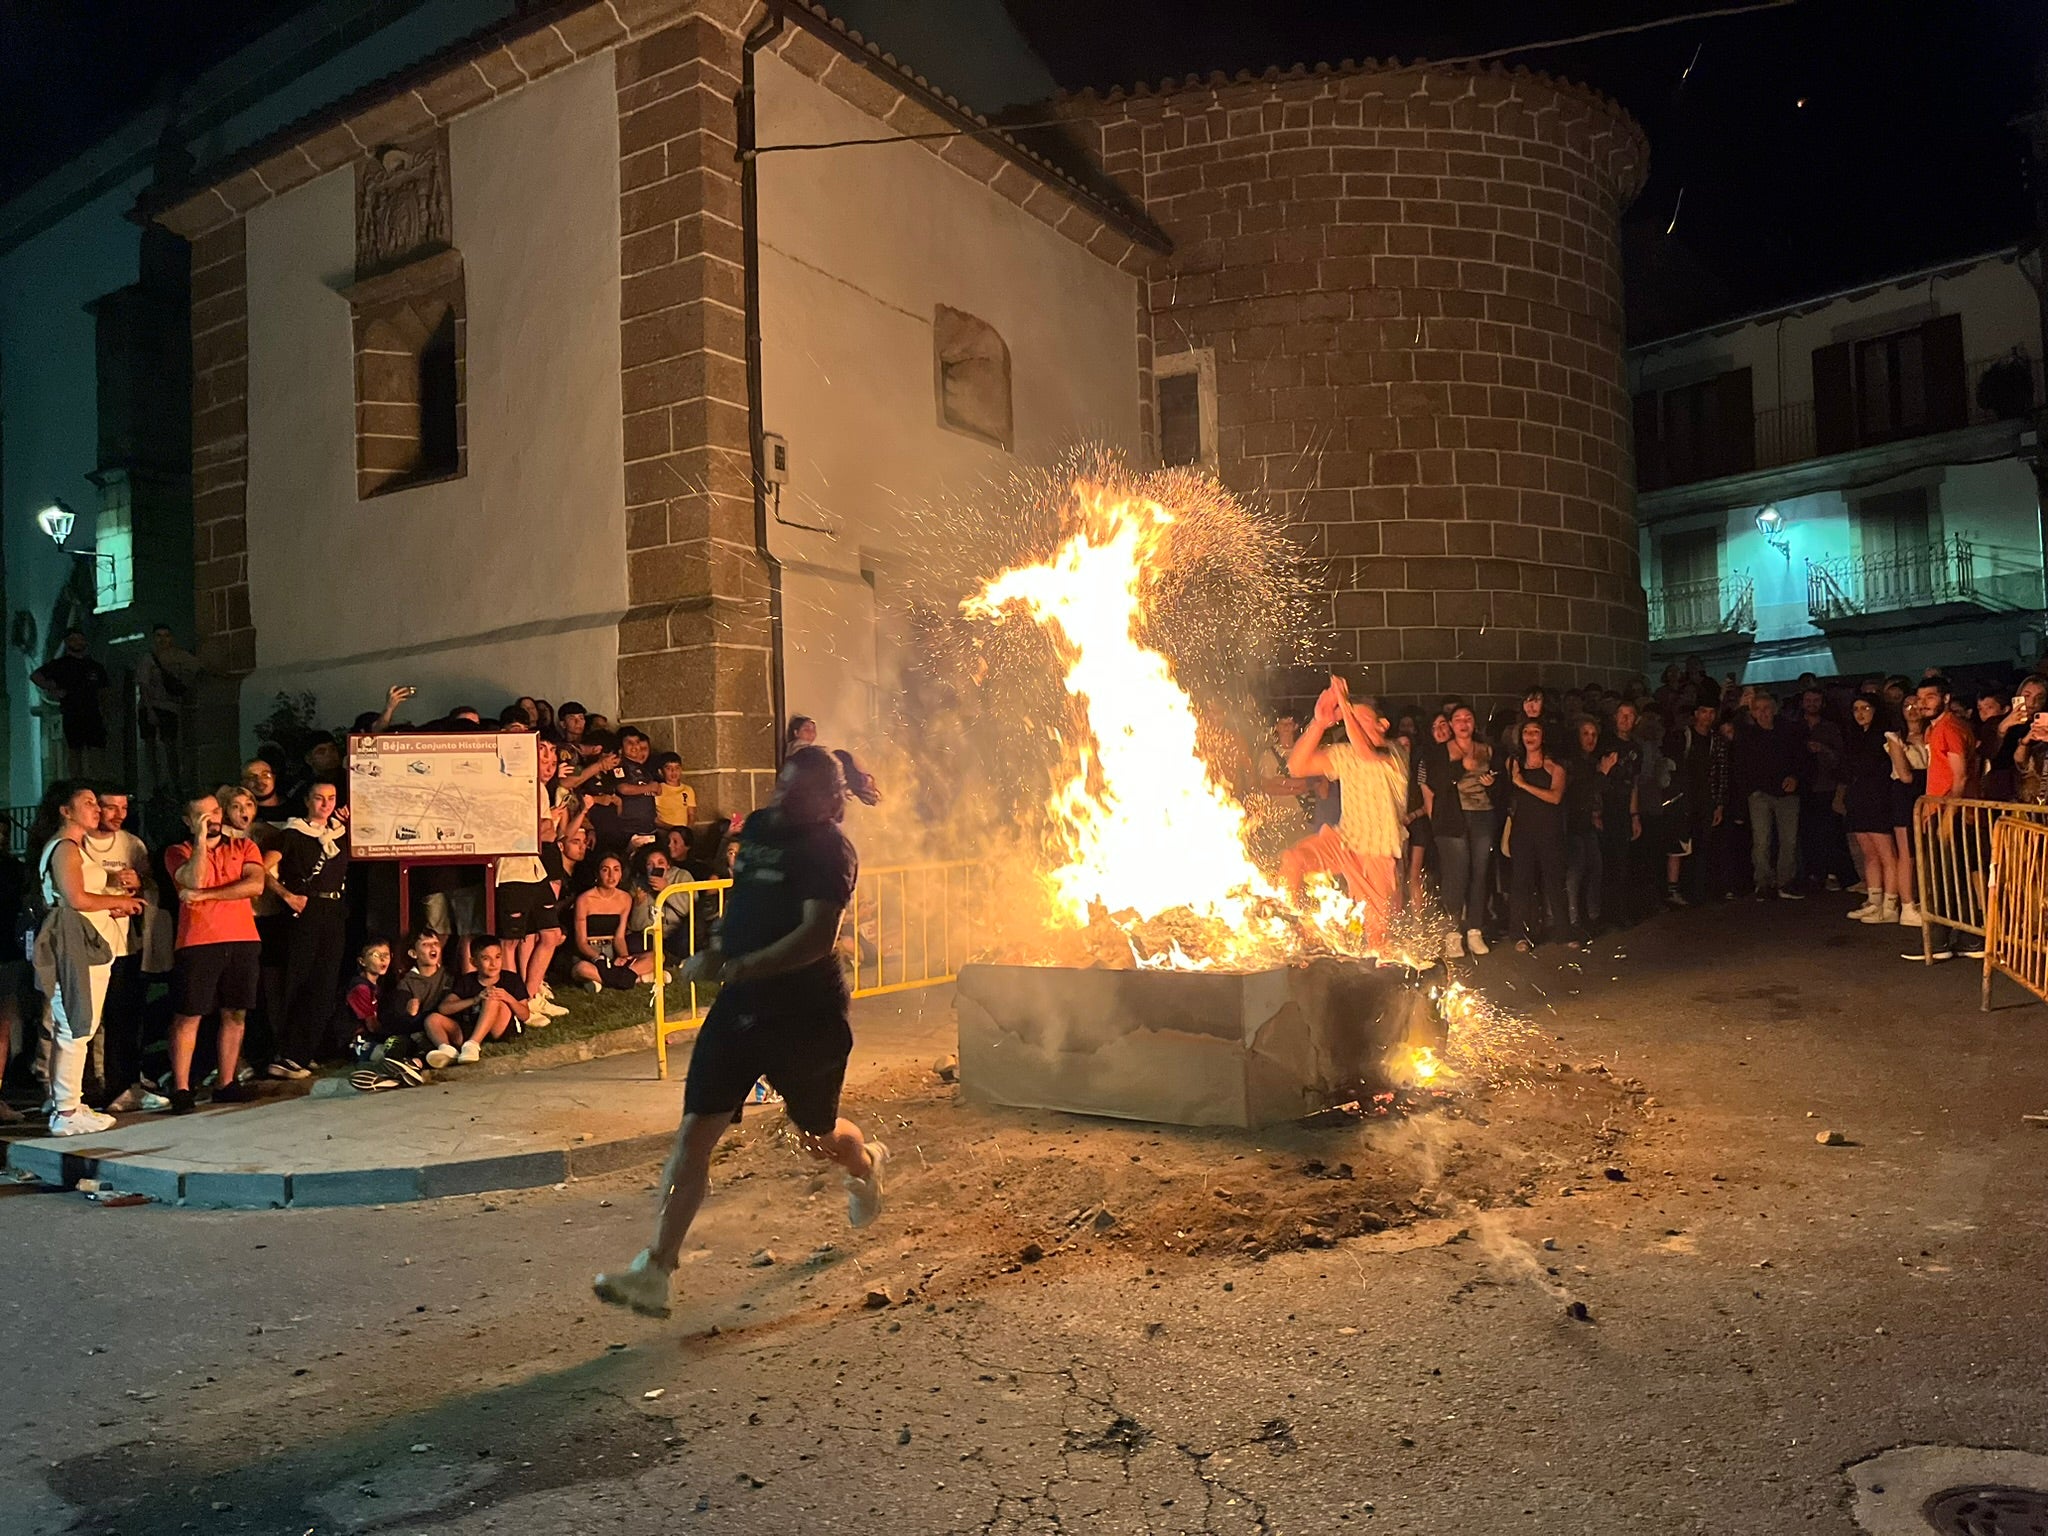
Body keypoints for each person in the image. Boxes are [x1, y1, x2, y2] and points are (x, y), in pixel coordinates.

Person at [594, 746, 885, 1318]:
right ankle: (656, 1269)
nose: (781, 800)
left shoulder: (831, 851)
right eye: (780, 787)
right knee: (695, 1134)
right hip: (742, 1007)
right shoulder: (760, 827)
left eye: (795, 793)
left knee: (816, 1137)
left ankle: (867, 1163)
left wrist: (738, 965)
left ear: (829, 801)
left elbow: (815, 939)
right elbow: (746, 905)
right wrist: (722, 948)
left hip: (807, 1015)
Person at [30, 783, 144, 1135]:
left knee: (80, 1024)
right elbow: (76, 898)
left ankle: (71, 1102)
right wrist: (117, 903)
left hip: (88, 939)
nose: (97, 808)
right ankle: (65, 1111)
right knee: (75, 1025)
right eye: (88, 803)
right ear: (66, 811)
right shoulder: (65, 847)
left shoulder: (77, 848)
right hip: (75, 940)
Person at [1283, 677, 1409, 949]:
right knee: (1293, 859)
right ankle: (1290, 930)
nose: (1350, 724)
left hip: (1377, 851)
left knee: (1378, 935)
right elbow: (1297, 766)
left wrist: (1342, 701)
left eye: (1360, 719)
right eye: (1348, 720)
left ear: (1382, 724)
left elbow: (1366, 753)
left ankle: (1383, 976)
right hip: (1344, 840)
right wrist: (1320, 723)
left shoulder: (1394, 751)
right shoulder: (1346, 753)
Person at [164, 791, 267, 1114]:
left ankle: (226, 1081)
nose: (214, 818)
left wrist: (204, 896)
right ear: (188, 821)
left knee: (235, 1012)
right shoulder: (177, 851)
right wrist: (199, 842)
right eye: (203, 815)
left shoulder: (244, 846)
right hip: (198, 941)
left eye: (215, 811)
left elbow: (255, 886)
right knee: (189, 1014)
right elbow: (192, 877)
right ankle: (181, 1087)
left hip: (242, 938)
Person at [81, 786, 163, 1113]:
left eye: (124, 808)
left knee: (126, 1018)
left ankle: (125, 1085)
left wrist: (138, 883)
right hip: (88, 944)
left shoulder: (132, 844)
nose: (118, 815)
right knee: (84, 1022)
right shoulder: (78, 844)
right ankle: (81, 1090)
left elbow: (150, 888)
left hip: (126, 945)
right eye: (109, 807)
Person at [272, 781, 351, 1072]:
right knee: (299, 979)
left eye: (331, 798)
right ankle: (286, 1051)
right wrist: (287, 896)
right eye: (319, 798)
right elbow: (262, 869)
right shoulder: (292, 834)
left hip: (334, 910)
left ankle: (305, 1051)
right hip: (306, 911)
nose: (325, 804)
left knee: (325, 982)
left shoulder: (339, 833)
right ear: (307, 800)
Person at [1902, 674, 1974, 963]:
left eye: (1930, 697)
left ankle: (1954, 938)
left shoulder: (1950, 728)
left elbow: (1960, 776)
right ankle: (1951, 938)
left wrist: (1948, 816)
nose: (1923, 704)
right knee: (1943, 877)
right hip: (1938, 808)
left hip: (1947, 810)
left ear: (1945, 698)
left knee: (1946, 878)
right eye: (1920, 699)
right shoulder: (1938, 729)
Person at [1425, 705, 1495, 957]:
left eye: (1468, 718)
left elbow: (1500, 782)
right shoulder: (1439, 752)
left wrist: (1492, 782)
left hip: (1482, 814)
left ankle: (1475, 930)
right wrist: (1461, 766)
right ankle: (1452, 933)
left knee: (1479, 872)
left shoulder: (1486, 749)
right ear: (1451, 725)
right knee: (1456, 874)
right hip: (1451, 819)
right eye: (1458, 719)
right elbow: (1436, 783)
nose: (1463, 723)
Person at [1731, 692, 1803, 900]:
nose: (1763, 713)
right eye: (1758, 709)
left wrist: (1795, 778)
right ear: (1752, 712)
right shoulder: (1747, 736)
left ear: (1774, 709)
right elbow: (1740, 766)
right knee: (1761, 840)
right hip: (1760, 794)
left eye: (1766, 708)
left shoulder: (1789, 732)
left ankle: (1785, 882)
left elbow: (1800, 758)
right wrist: (1751, 790)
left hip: (1787, 793)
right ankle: (1762, 882)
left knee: (1788, 840)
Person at [1505, 719, 1569, 952]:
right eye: (1526, 732)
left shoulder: (1554, 766)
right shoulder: (1514, 763)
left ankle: (1563, 932)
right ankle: (1520, 935)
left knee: (1554, 881)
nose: (1530, 736)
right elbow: (1506, 792)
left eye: (1536, 732)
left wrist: (1523, 784)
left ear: (1544, 736)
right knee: (1521, 883)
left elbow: (1555, 797)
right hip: (1522, 831)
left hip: (1549, 832)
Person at [1843, 697, 1903, 924]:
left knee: (1886, 853)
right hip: (1859, 799)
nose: (1860, 713)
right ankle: (1874, 900)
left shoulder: (1883, 736)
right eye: (1856, 709)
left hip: (1877, 798)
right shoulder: (1855, 737)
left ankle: (1890, 903)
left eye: (1865, 708)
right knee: (1869, 853)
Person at [1665, 700, 1729, 905]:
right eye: (1704, 712)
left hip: (1705, 800)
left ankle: (1698, 892)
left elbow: (1720, 771)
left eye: (1711, 712)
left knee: (1702, 846)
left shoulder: (1715, 740)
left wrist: (1718, 803)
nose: (1708, 717)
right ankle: (1677, 890)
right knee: (1681, 845)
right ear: (1696, 714)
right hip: (1684, 799)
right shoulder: (1683, 736)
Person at [434, 934, 531, 1063]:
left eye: (498, 957)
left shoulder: (512, 979)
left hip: (501, 1029)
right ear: (474, 962)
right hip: (472, 1027)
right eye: (486, 958)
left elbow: (525, 1015)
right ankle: (447, 1051)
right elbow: (444, 1008)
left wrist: (508, 998)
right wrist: (475, 1000)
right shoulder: (467, 980)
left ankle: (473, 1045)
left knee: (492, 996)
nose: (493, 963)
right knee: (432, 1019)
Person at [30, 630, 112, 778]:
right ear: (67, 642)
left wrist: (106, 712)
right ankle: (77, 786)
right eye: (73, 639)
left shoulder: (94, 666)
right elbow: (35, 676)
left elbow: (104, 691)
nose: (77, 642)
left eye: (80, 639)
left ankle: (99, 786)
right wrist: (52, 688)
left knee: (97, 752)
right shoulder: (60, 665)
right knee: (75, 751)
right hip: (72, 713)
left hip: (94, 714)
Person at [572, 853, 658, 990]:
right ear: (597, 873)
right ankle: (636, 979)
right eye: (605, 870)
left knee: (657, 957)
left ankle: (604, 980)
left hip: (612, 950)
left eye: (616, 869)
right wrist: (597, 958)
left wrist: (624, 957)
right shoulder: (585, 900)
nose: (611, 875)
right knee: (581, 969)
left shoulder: (625, 899)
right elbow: (581, 941)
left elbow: (619, 937)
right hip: (590, 952)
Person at [1593, 702, 1645, 925]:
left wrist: (1634, 815)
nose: (1626, 720)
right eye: (1622, 715)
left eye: (1630, 715)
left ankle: (1619, 913)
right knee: (1602, 864)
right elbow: (1595, 777)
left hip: (1623, 809)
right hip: (1604, 807)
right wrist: (1596, 811)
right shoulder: (1604, 743)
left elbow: (1634, 783)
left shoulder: (1636, 749)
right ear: (1615, 717)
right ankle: (1603, 914)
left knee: (1621, 863)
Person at [1796, 688, 1849, 892]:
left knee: (1829, 833)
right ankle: (1811, 874)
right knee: (1806, 834)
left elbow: (1841, 758)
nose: (1811, 704)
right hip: (1802, 787)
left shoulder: (1831, 728)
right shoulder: (1795, 727)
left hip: (1826, 786)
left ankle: (1830, 874)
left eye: (1815, 700)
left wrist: (1824, 750)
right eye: (1808, 700)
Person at [135, 624, 199, 792]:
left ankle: (174, 782)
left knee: (170, 746)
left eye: (166, 635)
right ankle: (155, 783)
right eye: (159, 636)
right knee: (151, 747)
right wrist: (149, 710)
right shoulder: (148, 658)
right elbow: (144, 686)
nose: (163, 639)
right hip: (151, 706)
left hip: (170, 708)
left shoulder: (182, 657)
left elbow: (198, 669)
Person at [393, 929, 460, 1068]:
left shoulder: (449, 975)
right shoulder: (407, 982)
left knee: (430, 1026)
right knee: (402, 1042)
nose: (433, 947)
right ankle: (410, 1066)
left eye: (435, 943)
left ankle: (423, 1061)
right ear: (413, 953)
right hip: (421, 1029)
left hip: (447, 1027)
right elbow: (403, 1015)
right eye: (425, 944)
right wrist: (409, 1010)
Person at [1563, 717, 1604, 939]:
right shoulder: (1573, 762)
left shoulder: (1591, 760)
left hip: (1586, 823)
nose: (1590, 739)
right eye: (1586, 734)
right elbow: (1581, 791)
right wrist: (1602, 773)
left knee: (1595, 868)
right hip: (1572, 824)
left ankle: (1592, 916)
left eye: (1594, 735)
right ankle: (1574, 920)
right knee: (1575, 872)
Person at [342, 940, 391, 1056]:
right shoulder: (360, 987)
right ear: (362, 961)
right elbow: (372, 1026)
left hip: (368, 1037)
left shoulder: (377, 986)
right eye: (376, 955)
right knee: (387, 1053)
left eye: (386, 955)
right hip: (353, 1040)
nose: (383, 959)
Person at [243, 758, 291, 823]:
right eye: (252, 777)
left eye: (265, 775)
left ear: (274, 777)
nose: (259, 781)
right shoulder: (243, 815)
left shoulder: (295, 808)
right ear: (243, 783)